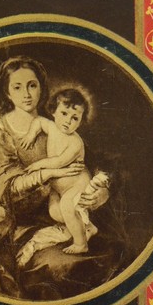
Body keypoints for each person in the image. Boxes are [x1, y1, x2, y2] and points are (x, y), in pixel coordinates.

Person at [0, 56, 110, 296]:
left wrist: (101, 191)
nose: (27, 94)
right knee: (61, 267)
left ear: (41, 87)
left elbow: (91, 166)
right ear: (6, 92)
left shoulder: (59, 122)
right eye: (17, 87)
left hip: (56, 213)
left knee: (106, 254)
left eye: (32, 85)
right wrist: (48, 173)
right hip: (13, 223)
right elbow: (2, 189)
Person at [19, 87, 109, 254]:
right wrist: (31, 134)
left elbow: (59, 162)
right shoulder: (51, 126)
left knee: (67, 207)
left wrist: (39, 164)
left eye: (75, 118)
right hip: (58, 187)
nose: (68, 121)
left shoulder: (75, 143)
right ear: (53, 111)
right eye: (64, 113)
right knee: (54, 212)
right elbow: (38, 121)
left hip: (77, 184)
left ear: (80, 121)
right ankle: (88, 226)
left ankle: (81, 243)